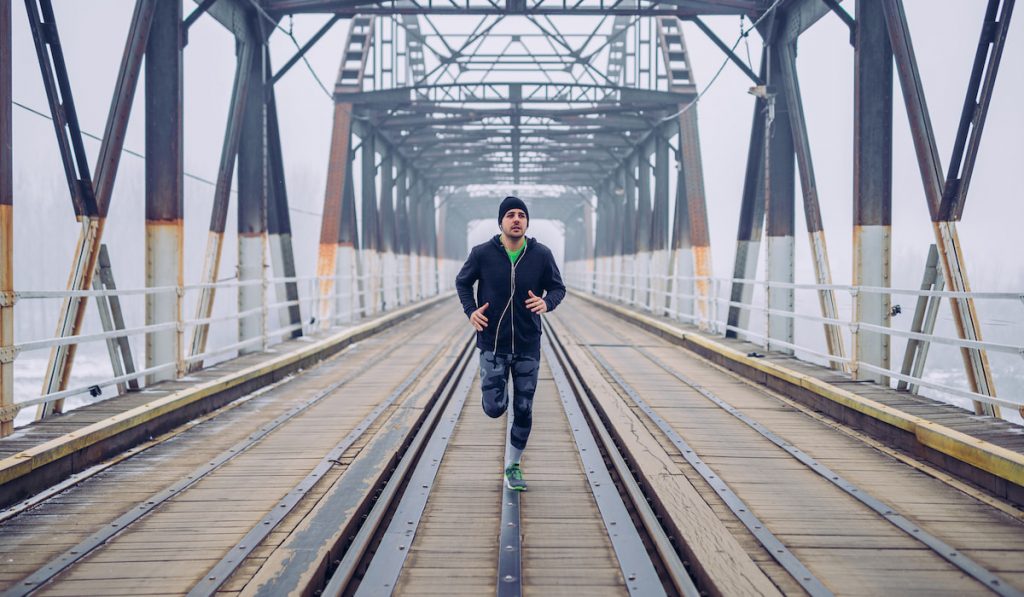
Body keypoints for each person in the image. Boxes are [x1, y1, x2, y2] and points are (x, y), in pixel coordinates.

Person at [455, 196, 566, 491]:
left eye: (521, 215)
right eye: (510, 215)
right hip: (492, 343)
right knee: (495, 408)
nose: (516, 219)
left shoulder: (541, 254)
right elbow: (463, 283)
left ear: (527, 222)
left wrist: (547, 302)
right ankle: (493, 394)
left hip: (529, 344)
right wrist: (470, 311)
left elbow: (558, 288)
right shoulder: (482, 254)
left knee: (524, 408)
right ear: (501, 222)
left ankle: (513, 466)